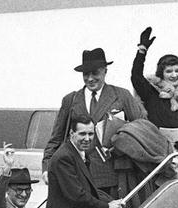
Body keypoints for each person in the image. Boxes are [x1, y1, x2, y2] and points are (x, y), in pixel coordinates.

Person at [42, 46, 145, 198]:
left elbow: (142, 129)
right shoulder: (70, 100)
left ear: (105, 71)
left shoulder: (122, 96)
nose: (90, 78)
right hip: (76, 175)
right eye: (86, 74)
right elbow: (56, 138)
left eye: (95, 72)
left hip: (113, 177)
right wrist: (46, 167)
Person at [132, 27, 178, 133]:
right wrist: (142, 50)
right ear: (161, 73)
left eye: (177, 71)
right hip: (155, 145)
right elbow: (136, 76)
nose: (174, 75)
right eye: (169, 71)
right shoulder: (151, 93)